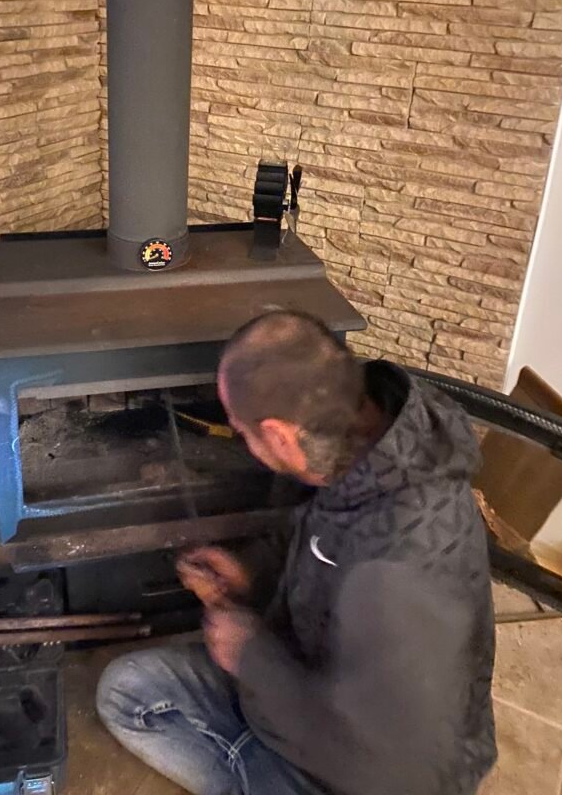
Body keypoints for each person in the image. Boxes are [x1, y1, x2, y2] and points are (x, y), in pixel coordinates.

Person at [96, 311, 497, 795]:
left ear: (281, 435)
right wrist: (250, 571)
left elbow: (399, 772)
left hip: (380, 770)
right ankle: (258, 761)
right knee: (128, 690)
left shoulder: (397, 573)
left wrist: (251, 657)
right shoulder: (365, 439)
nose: (245, 445)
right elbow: (319, 541)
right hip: (312, 677)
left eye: (244, 433)